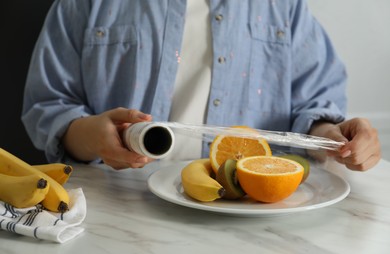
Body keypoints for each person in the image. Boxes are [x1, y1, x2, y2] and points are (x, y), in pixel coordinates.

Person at [22, 0, 381, 171]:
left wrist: (333, 138)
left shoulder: (282, 7)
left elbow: (314, 108)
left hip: (251, 212)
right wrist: (90, 135)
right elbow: (49, 105)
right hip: (116, 208)